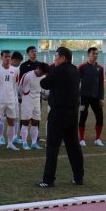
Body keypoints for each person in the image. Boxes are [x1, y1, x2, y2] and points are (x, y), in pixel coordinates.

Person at [37, 47, 84, 187]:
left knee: (52, 147)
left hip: (58, 113)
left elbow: (43, 83)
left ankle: (48, 179)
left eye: (56, 56)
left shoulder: (58, 70)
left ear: (63, 58)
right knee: (73, 146)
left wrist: (48, 71)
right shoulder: (76, 70)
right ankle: (78, 177)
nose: (54, 59)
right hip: (73, 112)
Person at [0, 50, 20, 151]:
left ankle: (10, 143)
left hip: (11, 100)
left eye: (9, 57)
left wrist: (14, 98)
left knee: (11, 122)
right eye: (6, 57)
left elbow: (14, 85)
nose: (8, 59)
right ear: (1, 58)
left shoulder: (15, 70)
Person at [19, 62, 49, 150]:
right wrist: (24, 98)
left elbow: (42, 89)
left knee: (35, 122)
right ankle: (24, 143)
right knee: (25, 122)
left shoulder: (43, 77)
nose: (43, 74)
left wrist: (44, 94)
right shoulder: (27, 75)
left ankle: (34, 143)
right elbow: (20, 88)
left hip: (37, 101)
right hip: (27, 100)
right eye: (42, 72)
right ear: (38, 68)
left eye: (44, 73)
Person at [78, 47, 104, 147]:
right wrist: (78, 96)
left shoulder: (100, 68)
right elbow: (76, 82)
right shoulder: (82, 67)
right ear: (89, 54)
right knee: (83, 116)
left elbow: (101, 84)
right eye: (94, 53)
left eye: (97, 54)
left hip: (96, 98)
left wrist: (101, 98)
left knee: (100, 117)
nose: (96, 55)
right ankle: (81, 139)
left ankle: (97, 139)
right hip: (83, 97)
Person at [0, 51, 23, 145]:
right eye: (18, 62)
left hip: (14, 98)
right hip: (2, 98)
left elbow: (16, 85)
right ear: (14, 60)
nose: (19, 64)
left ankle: (15, 136)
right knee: (2, 118)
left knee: (15, 118)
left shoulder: (16, 70)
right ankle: (1, 137)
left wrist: (17, 96)